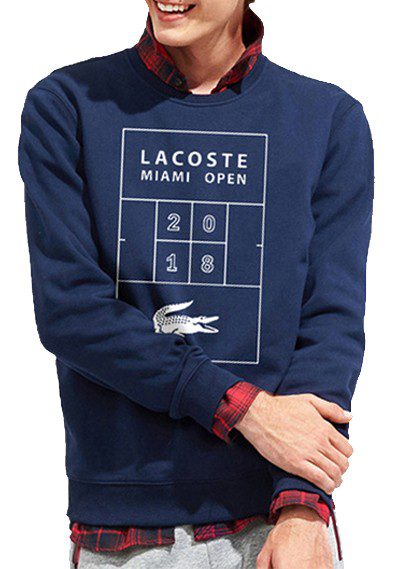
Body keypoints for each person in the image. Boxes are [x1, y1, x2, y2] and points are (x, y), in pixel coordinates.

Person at [18, 0, 373, 567]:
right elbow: (71, 312)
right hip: (129, 530)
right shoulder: (67, 105)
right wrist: (247, 410)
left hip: (274, 517)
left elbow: (330, 324)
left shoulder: (327, 119)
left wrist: (305, 508)